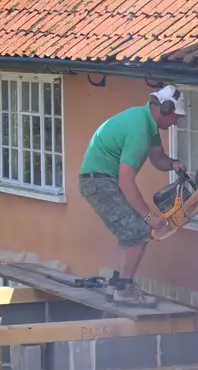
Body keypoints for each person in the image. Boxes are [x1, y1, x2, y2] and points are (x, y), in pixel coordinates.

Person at [79, 85, 190, 303]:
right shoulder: (140, 130)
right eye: (176, 116)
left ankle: (117, 284)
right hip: (99, 182)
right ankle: (125, 291)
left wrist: (173, 164)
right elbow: (126, 181)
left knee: (130, 233)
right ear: (165, 109)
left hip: (100, 179)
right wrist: (151, 218)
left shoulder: (146, 123)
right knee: (139, 232)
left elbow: (157, 158)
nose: (176, 122)